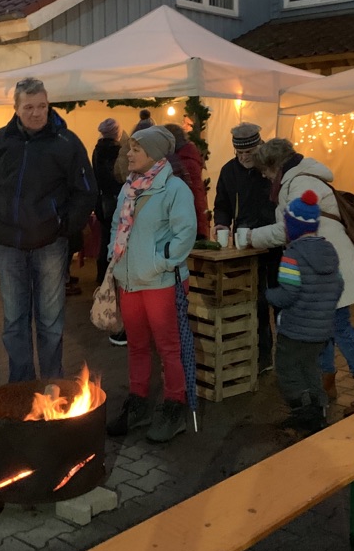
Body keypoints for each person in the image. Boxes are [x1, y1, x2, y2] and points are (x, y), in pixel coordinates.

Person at [0, 78, 96, 382]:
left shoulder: (67, 143)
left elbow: (86, 190)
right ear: (15, 108)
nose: (36, 113)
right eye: (29, 107)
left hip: (50, 244)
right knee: (14, 321)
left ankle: (53, 382)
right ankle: (21, 385)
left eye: (42, 106)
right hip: (8, 244)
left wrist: (65, 226)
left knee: (50, 320)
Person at [248, 139, 354, 414]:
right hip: (326, 265)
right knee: (329, 328)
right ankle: (327, 381)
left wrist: (250, 237)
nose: (264, 175)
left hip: (328, 269)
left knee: (339, 327)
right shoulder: (299, 179)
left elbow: (289, 228)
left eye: (265, 169)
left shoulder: (299, 183)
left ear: (276, 165)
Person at [105, 126, 195, 443]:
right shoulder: (128, 188)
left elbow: (185, 235)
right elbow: (118, 225)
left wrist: (160, 262)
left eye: (135, 150)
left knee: (169, 348)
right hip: (129, 281)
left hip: (159, 282)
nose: (128, 154)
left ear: (154, 154)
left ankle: (175, 405)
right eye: (129, 148)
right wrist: (113, 259)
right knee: (137, 346)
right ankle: (138, 402)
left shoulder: (174, 190)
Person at [267, 190, 341, 434]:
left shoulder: (292, 256)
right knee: (310, 369)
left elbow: (288, 294)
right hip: (321, 331)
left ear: (292, 228)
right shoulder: (329, 252)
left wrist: (267, 295)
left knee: (287, 370)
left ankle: (302, 411)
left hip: (295, 328)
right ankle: (319, 410)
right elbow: (338, 285)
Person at [212, 122, 279, 372]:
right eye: (240, 154)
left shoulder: (271, 170)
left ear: (259, 147)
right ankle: (261, 356)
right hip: (245, 246)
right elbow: (222, 203)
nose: (245, 158)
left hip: (274, 242)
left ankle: (281, 354)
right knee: (255, 301)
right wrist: (221, 224)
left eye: (249, 153)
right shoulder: (229, 171)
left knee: (278, 297)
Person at [93, 118, 128, 346]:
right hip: (114, 201)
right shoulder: (116, 151)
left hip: (102, 201)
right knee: (112, 241)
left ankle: (101, 278)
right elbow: (118, 176)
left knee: (105, 240)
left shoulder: (97, 150)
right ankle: (109, 283)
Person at [164, 123, 209, 239]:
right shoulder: (186, 157)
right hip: (191, 219)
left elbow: (194, 194)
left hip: (189, 221)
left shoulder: (183, 162)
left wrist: (199, 228)